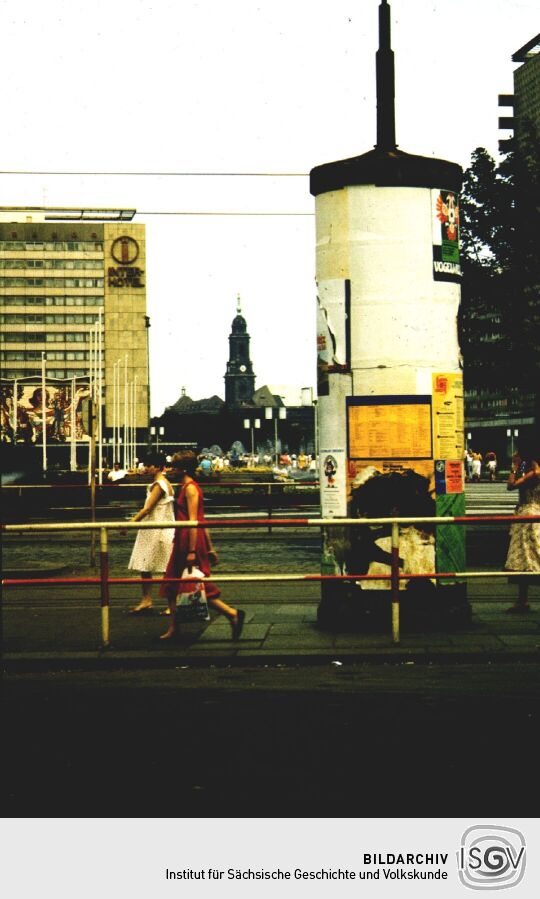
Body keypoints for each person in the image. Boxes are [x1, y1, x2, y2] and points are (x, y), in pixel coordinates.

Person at [159, 450, 245, 640]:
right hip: (188, 539)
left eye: (174, 466)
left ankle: (231, 614)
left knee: (186, 584)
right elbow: (201, 519)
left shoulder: (189, 489)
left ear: (182, 469)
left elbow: (193, 521)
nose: (171, 469)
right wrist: (210, 547)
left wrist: (191, 550)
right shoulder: (188, 487)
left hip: (187, 541)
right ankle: (175, 628)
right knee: (175, 585)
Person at [128, 453, 175, 614]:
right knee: (148, 565)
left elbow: (147, 508)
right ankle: (148, 600)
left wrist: (130, 523)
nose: (146, 468)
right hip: (156, 528)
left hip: (157, 529)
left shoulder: (159, 485)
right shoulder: (164, 483)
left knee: (160, 567)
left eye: (149, 465)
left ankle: (165, 603)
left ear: (158, 466)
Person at [504, 445, 540, 613]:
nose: (515, 455)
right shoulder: (534, 471)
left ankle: (522, 600)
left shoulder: (534, 473)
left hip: (528, 517)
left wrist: (515, 467)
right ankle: (522, 599)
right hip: (534, 514)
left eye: (518, 453)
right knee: (530, 559)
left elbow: (511, 485)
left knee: (525, 558)